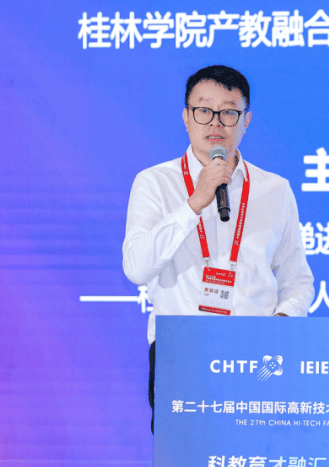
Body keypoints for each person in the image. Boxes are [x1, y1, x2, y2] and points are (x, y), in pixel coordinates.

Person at [123, 65, 315, 432]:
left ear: (246, 120)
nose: (216, 122)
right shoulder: (154, 183)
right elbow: (136, 267)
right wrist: (194, 202)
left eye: (229, 112)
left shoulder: (275, 190)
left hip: (258, 355)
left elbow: (297, 280)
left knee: (255, 460)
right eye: (203, 110)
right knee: (187, 464)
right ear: (186, 117)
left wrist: (282, 325)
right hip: (182, 351)